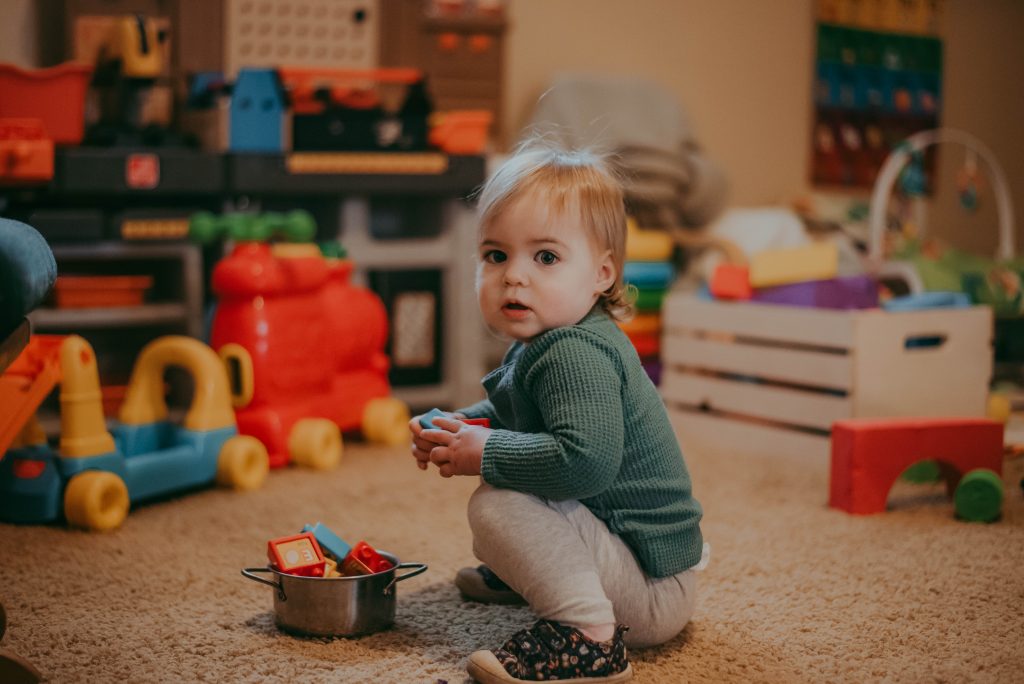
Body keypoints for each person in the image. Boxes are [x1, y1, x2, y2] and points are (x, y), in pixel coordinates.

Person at [409, 139, 706, 684]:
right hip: (639, 566)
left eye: (545, 257)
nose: (514, 276)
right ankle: (545, 575)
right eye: (496, 255)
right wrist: (463, 427)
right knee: (507, 490)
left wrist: (486, 451)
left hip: (650, 587)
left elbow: (583, 462)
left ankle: (588, 636)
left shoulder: (574, 352)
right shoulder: (552, 336)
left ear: (601, 274)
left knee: (498, 506)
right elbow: (521, 415)